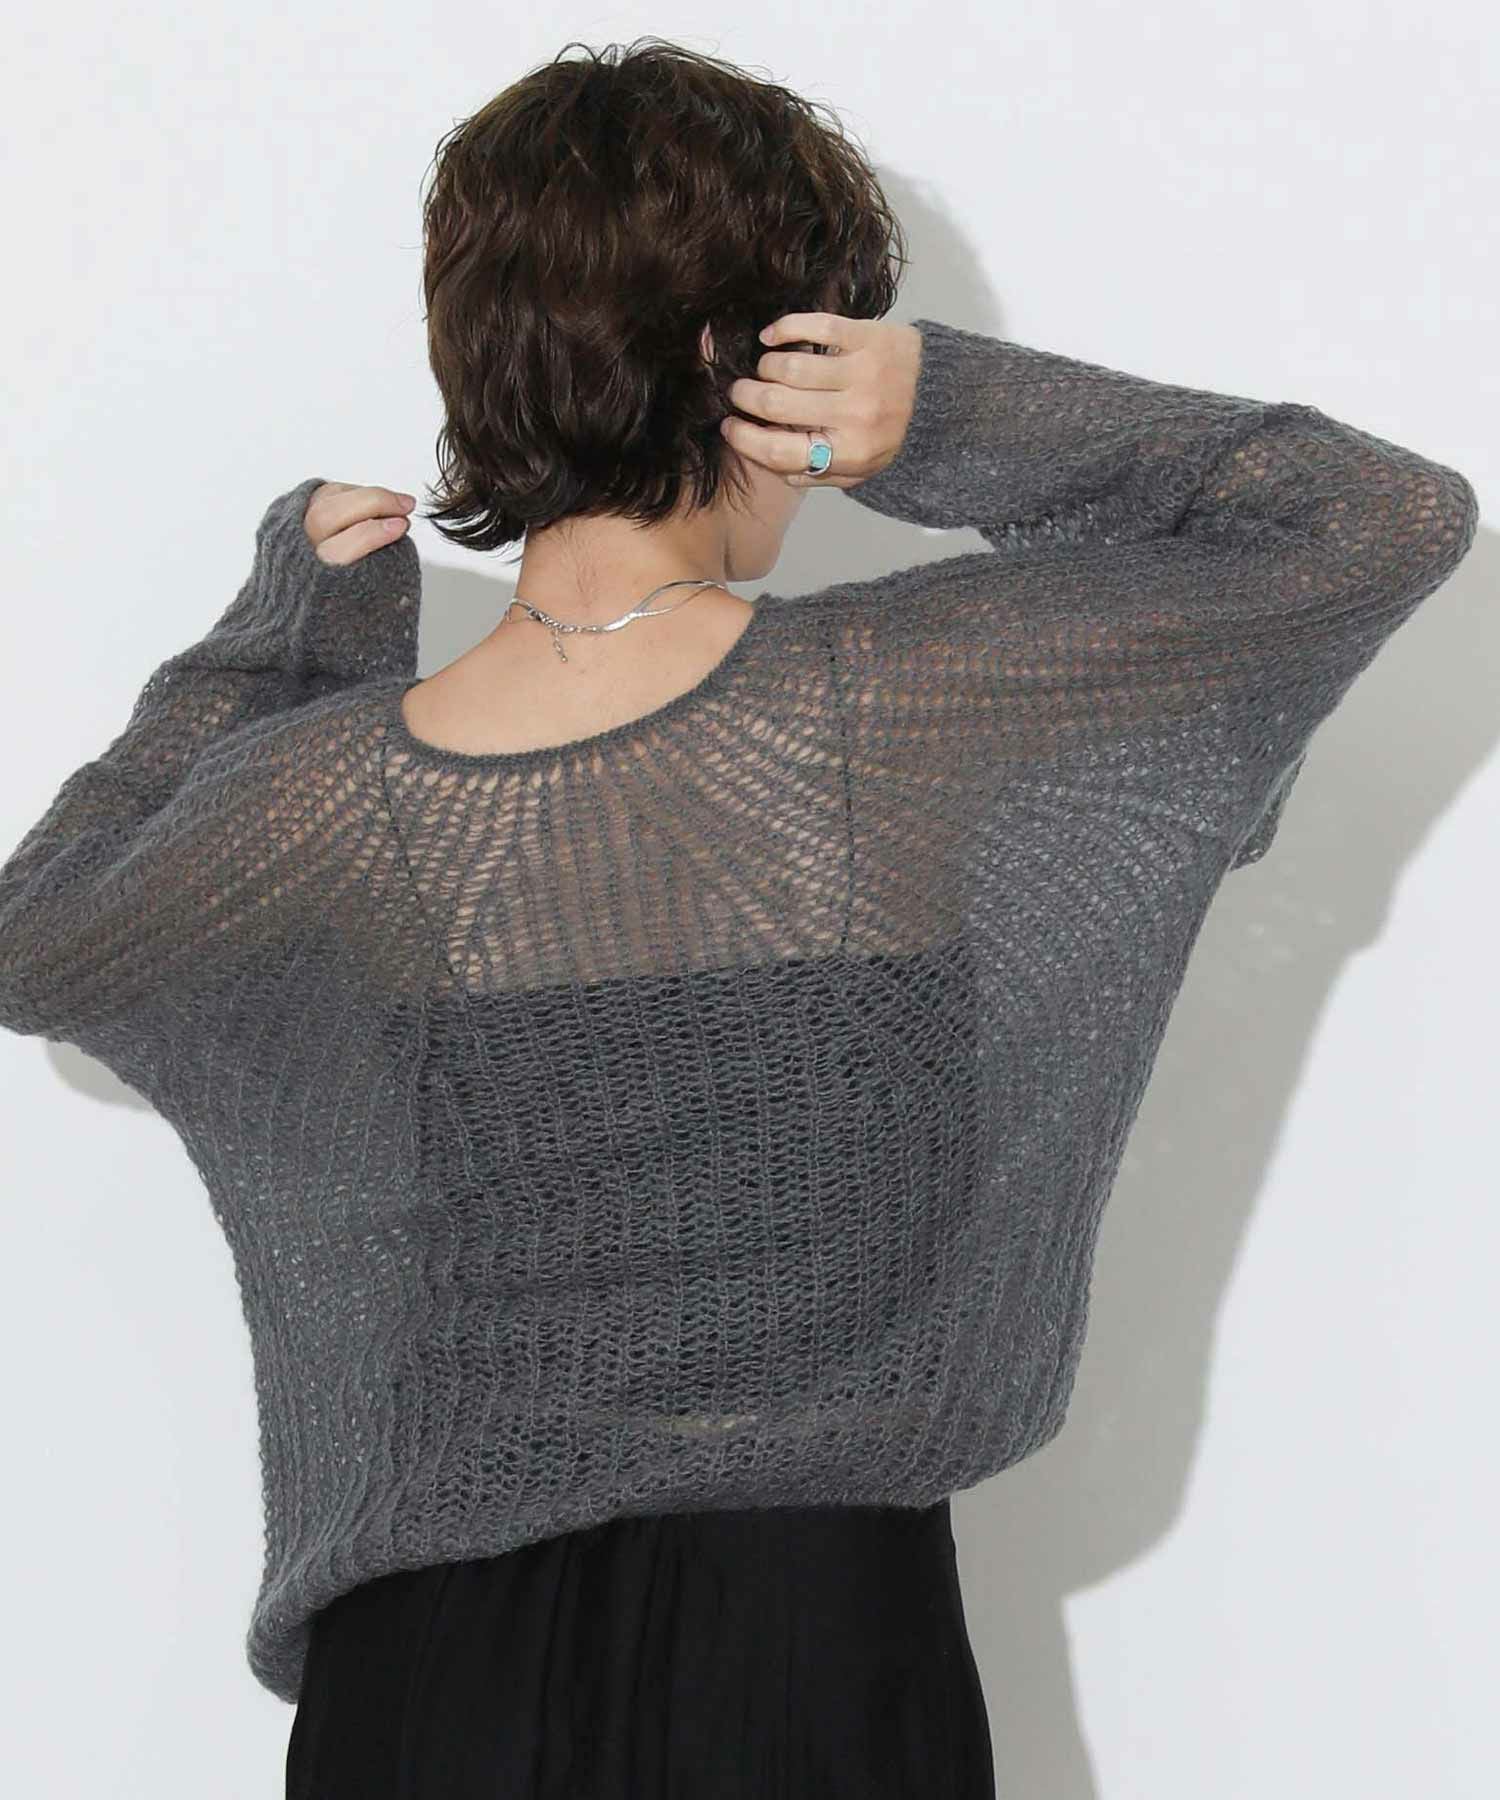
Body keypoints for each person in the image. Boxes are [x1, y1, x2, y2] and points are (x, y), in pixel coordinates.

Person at [0, 36, 1477, 1800]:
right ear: (749, 361)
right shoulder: (909, 702)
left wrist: (275, 647)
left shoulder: (328, 793)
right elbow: (1380, 519)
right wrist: (948, 412)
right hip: (813, 1665)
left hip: (428, 1695)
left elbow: (37, 934)